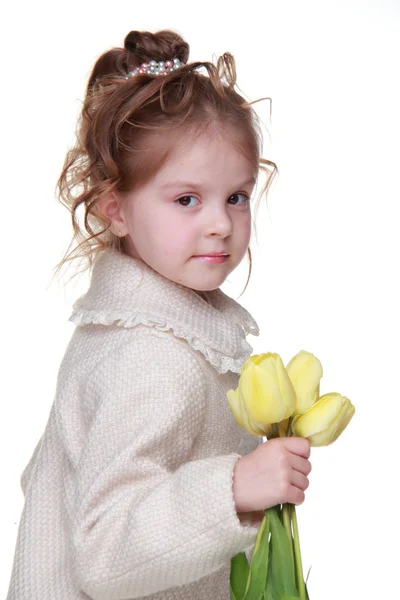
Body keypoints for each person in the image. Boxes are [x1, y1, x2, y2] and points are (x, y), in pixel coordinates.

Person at [6, 29, 311, 600]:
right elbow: (103, 550)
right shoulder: (150, 356)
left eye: (236, 197)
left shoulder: (163, 330)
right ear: (115, 208)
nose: (220, 223)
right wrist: (234, 487)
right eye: (187, 199)